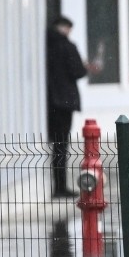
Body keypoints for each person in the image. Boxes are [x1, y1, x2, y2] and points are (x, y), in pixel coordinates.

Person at [46, 15, 89, 198]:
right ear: (64, 28)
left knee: (54, 143)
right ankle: (60, 186)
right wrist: (85, 66)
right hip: (64, 102)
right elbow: (78, 71)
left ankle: (56, 184)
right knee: (61, 145)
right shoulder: (67, 47)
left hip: (48, 101)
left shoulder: (45, 46)